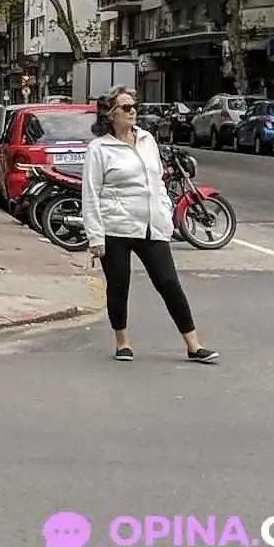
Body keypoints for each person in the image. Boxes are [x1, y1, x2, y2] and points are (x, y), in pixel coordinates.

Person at [80, 86, 218, 365]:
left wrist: (165, 211)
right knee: (119, 286)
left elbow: (158, 180)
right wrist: (95, 237)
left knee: (169, 283)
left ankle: (193, 345)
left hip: (151, 226)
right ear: (111, 114)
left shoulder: (147, 140)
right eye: (126, 107)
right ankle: (123, 342)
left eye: (134, 106)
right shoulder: (99, 149)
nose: (133, 112)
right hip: (115, 228)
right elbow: (90, 194)